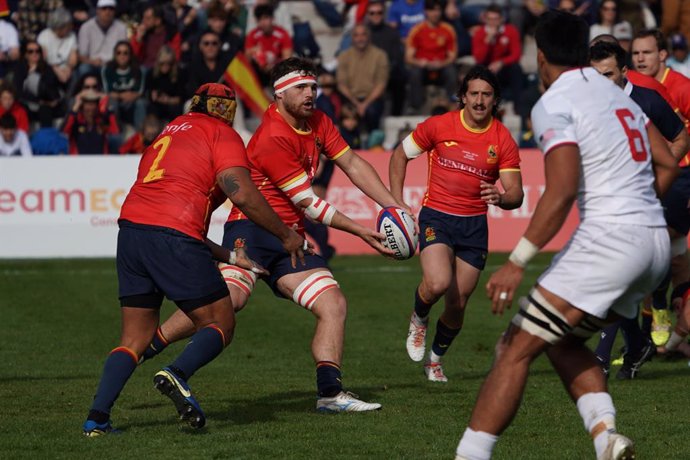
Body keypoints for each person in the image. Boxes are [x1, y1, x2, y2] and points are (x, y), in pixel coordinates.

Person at [454, 11, 678, 460]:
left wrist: (516, 261)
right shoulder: (618, 94)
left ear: (540, 56)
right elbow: (669, 161)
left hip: (612, 240)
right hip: (655, 242)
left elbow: (558, 194)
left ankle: (468, 455)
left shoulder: (554, 101)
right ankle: (605, 438)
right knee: (563, 340)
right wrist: (637, 210)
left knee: (515, 346)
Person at [141, 57, 409, 413]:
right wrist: (364, 232)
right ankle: (152, 349)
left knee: (333, 304)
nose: (311, 93)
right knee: (229, 302)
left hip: (290, 239)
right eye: (301, 87)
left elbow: (353, 164)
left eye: (314, 86)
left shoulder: (318, 121)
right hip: (251, 230)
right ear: (280, 94)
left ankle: (329, 395)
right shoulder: (272, 136)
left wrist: (395, 207)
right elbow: (311, 204)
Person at [82, 82, 306, 436]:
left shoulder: (167, 134)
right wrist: (286, 234)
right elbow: (242, 193)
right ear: (227, 111)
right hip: (173, 237)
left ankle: (97, 419)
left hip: (132, 233)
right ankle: (177, 372)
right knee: (220, 322)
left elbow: (167, 214)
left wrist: (232, 256)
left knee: (133, 339)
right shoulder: (222, 133)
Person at [390, 65, 523, 382]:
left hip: (474, 226)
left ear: (495, 100)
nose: (479, 100)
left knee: (458, 302)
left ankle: (434, 360)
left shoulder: (501, 138)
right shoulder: (439, 126)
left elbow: (516, 193)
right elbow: (399, 155)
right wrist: (394, 202)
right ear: (463, 96)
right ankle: (419, 317)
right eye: (474, 93)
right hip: (437, 216)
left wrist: (502, 197)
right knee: (436, 283)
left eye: (486, 95)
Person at [589, 38, 689, 379]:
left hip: (656, 196)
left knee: (623, 274)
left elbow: (680, 138)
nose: (600, 83)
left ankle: (604, 356)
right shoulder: (590, 106)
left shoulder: (647, 100)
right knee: (621, 276)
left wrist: (661, 173)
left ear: (623, 73)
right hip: (612, 201)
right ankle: (637, 345)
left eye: (607, 75)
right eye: (594, 75)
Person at [631, 28, 690, 346]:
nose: (640, 58)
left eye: (647, 52)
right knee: (677, 258)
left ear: (663, 55)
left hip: (682, 176)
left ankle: (660, 315)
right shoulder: (632, 88)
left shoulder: (681, 88)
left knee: (654, 243)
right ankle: (652, 342)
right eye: (636, 53)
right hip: (650, 175)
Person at [471, 4, 524, 117]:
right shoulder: (480, 33)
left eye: (495, 19)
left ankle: (519, 108)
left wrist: (501, 62)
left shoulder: (510, 31)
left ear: (501, 19)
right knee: (476, 70)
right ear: (485, 19)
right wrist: (487, 40)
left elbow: (516, 54)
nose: (492, 23)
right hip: (486, 68)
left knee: (516, 68)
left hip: (503, 68)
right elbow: (478, 58)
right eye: (490, 19)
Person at [405, 0, 457, 112]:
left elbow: (452, 56)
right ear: (425, 12)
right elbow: (408, 57)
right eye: (432, 10)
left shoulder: (448, 29)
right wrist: (420, 62)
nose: (435, 13)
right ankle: (415, 107)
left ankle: (453, 105)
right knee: (415, 73)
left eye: (438, 10)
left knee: (451, 71)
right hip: (423, 67)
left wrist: (441, 63)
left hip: (442, 67)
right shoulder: (417, 30)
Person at [336, 24, 389, 132]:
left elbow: (381, 84)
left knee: (372, 111)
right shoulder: (344, 56)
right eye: (356, 35)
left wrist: (365, 104)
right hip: (351, 98)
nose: (360, 38)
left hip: (372, 99)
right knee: (346, 113)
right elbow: (341, 84)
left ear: (368, 36)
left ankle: (372, 144)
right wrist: (357, 103)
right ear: (352, 38)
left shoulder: (380, 55)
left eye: (363, 35)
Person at [101, 41, 146, 131]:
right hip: (116, 102)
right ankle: (116, 132)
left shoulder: (138, 70)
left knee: (141, 103)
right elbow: (107, 92)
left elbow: (139, 92)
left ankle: (140, 134)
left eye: (125, 53)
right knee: (112, 102)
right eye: (119, 53)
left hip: (132, 102)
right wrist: (122, 95)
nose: (122, 56)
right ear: (115, 55)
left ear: (130, 55)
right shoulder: (107, 69)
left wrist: (128, 96)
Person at [244, 4, 293, 87]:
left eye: (266, 18)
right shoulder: (253, 35)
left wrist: (273, 66)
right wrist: (254, 52)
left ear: (272, 18)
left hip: (277, 72)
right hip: (259, 73)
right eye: (260, 19)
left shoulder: (282, 34)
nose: (263, 23)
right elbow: (246, 60)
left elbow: (287, 59)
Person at [77, 0, 128, 78]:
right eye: (104, 8)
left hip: (114, 65)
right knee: (84, 68)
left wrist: (114, 62)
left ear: (114, 11)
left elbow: (124, 52)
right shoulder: (86, 27)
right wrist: (92, 62)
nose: (107, 12)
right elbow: (81, 56)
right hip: (93, 65)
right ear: (97, 11)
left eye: (111, 9)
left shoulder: (121, 27)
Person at [62, 89, 119, 154]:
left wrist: (108, 110)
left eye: (93, 104)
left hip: (100, 160)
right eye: (87, 104)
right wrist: (75, 109)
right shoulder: (76, 120)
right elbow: (65, 131)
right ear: (82, 106)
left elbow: (115, 132)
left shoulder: (101, 121)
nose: (90, 108)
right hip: (78, 161)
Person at [37, 7, 78, 92]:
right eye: (68, 25)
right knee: (50, 76)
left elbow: (73, 59)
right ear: (60, 26)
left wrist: (68, 68)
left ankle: (68, 100)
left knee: (75, 75)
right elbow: (43, 59)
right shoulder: (44, 36)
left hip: (66, 68)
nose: (71, 27)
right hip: (50, 67)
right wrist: (57, 70)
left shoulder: (71, 36)